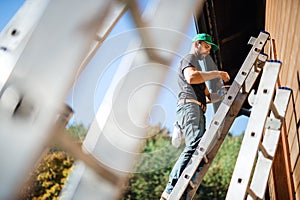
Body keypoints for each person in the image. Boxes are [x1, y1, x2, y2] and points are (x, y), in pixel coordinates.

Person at [160, 33, 230, 200]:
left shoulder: (197, 69)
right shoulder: (189, 58)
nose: (208, 51)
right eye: (206, 47)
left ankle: (179, 189)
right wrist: (218, 74)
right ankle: (170, 190)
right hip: (189, 107)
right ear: (197, 44)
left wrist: (223, 93)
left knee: (199, 147)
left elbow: (208, 96)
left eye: (210, 49)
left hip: (197, 109)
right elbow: (191, 78)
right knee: (195, 145)